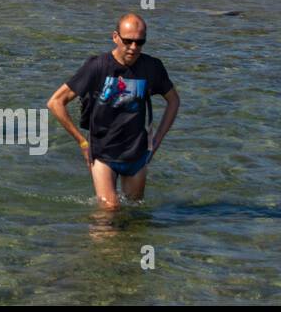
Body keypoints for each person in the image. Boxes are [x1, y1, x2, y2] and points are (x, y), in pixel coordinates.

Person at [46, 13, 181, 209]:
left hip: (137, 154)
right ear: (115, 37)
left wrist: (157, 139)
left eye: (140, 42)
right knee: (109, 210)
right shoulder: (97, 66)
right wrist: (83, 142)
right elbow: (55, 102)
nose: (134, 48)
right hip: (103, 154)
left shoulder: (152, 67)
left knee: (135, 216)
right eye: (128, 41)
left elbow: (174, 101)